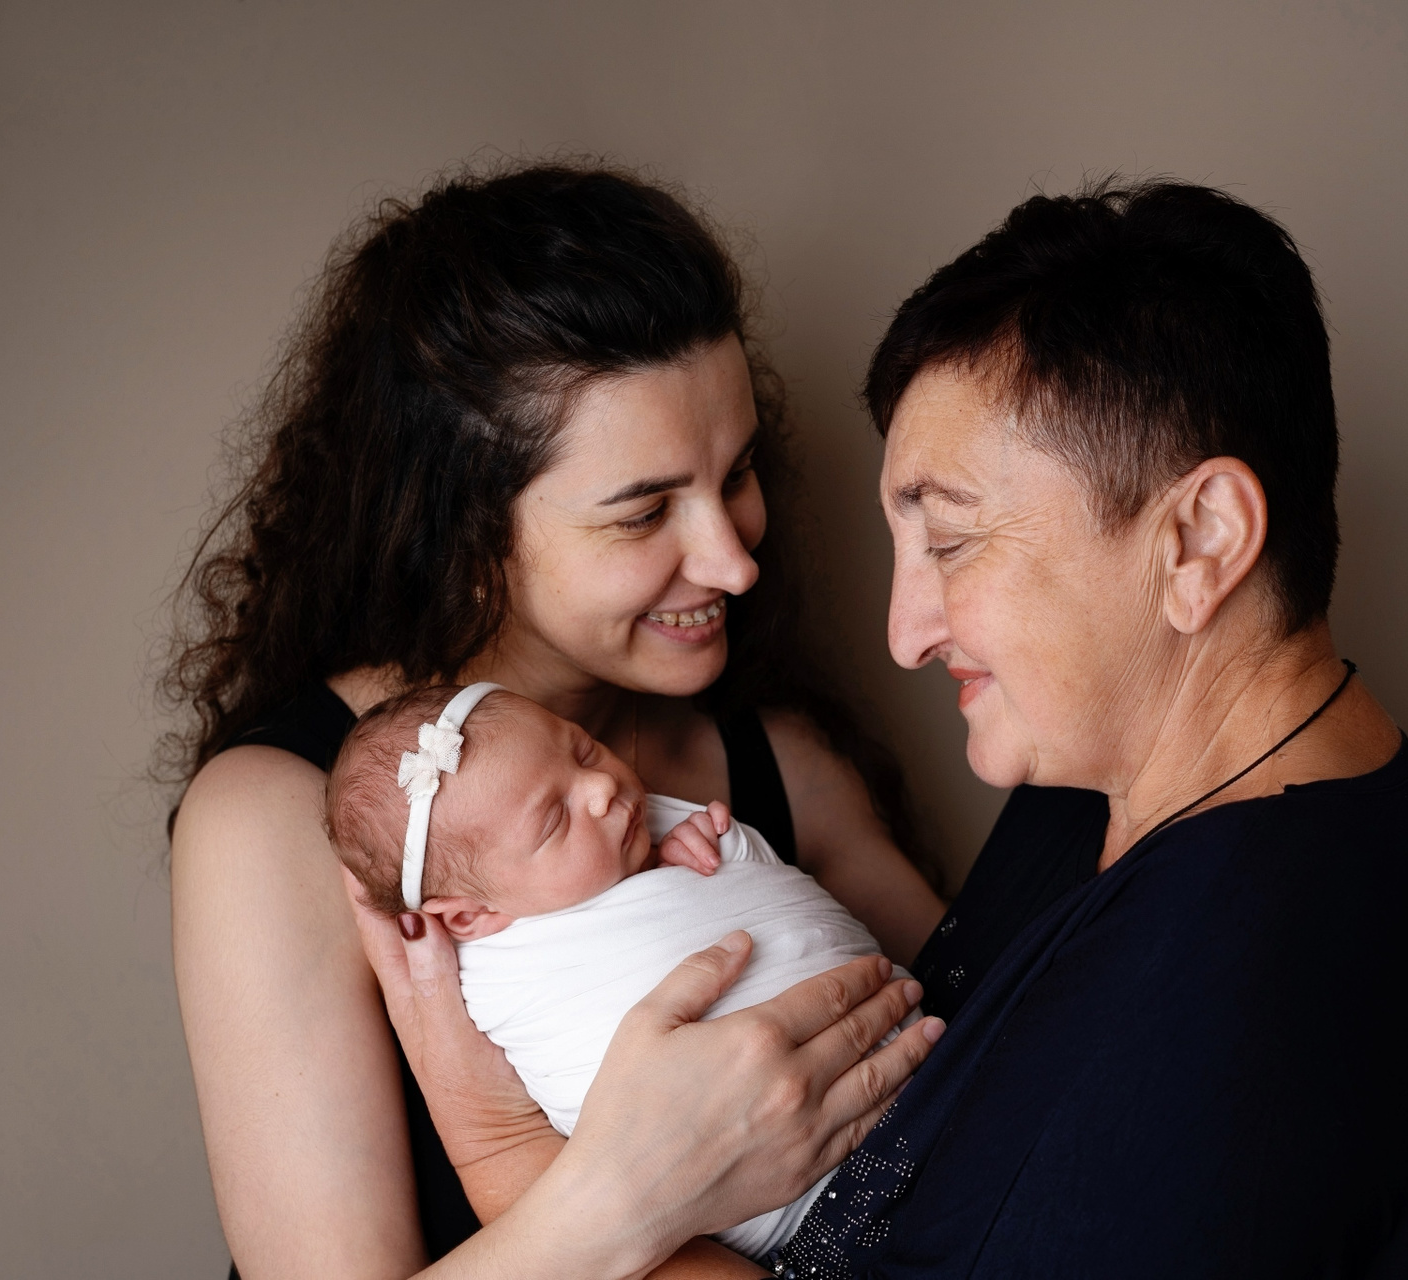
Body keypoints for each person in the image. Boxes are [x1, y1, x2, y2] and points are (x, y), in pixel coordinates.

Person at [366, 179, 1408, 1279]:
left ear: (1200, 539)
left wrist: (503, 1144)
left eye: (949, 540)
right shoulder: (1092, 791)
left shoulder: (1262, 995)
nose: (904, 632)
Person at [165, 162, 945, 1278]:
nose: (733, 559)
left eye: (737, 474)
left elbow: (1015, 1045)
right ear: (468, 531)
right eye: (644, 512)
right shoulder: (275, 820)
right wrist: (633, 1188)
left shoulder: (778, 761)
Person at [326, 683, 918, 1265]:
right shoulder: (496, 976)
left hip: (910, 1061)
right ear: (468, 915)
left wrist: (706, 850)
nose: (601, 787)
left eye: (583, 749)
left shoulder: (650, 829)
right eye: (553, 821)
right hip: (808, 1208)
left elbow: (756, 881)